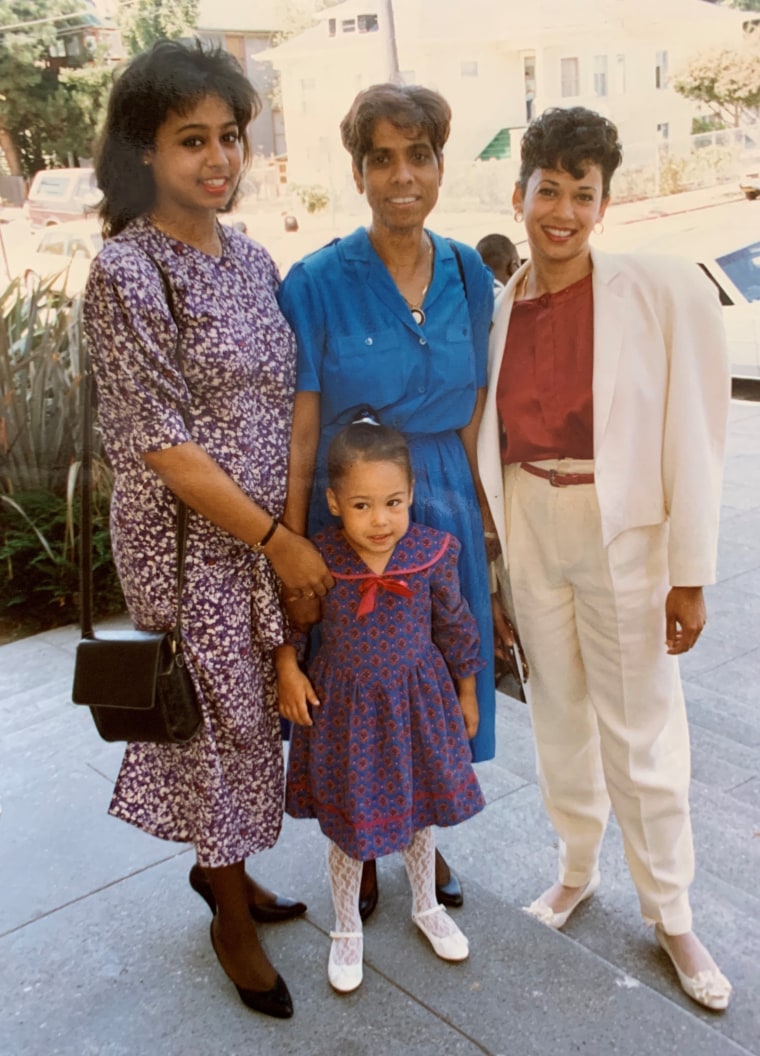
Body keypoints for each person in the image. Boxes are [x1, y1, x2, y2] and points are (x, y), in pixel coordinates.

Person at [83, 39, 332, 1020]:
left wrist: (295, 528)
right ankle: (228, 908)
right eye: (193, 141)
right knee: (215, 724)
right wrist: (279, 542)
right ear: (146, 150)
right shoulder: (129, 270)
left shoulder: (252, 256)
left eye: (230, 137)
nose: (219, 158)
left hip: (267, 535)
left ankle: (220, 867)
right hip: (191, 546)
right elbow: (164, 447)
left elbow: (283, 401)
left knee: (255, 715)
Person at [477, 106, 733, 1011]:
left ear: (603, 205)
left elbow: (697, 438)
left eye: (583, 194)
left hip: (621, 529)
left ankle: (672, 912)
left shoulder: (658, 292)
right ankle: (577, 867)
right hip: (531, 523)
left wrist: (690, 575)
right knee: (559, 712)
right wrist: (498, 565)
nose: (563, 210)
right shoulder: (499, 304)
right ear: (521, 194)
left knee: (643, 725)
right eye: (549, 189)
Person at [278, 82, 507, 920]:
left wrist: (483, 524)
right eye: (383, 158)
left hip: (440, 505)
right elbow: (303, 429)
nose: (402, 175)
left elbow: (478, 403)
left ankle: (422, 839)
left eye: (419, 155)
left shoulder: (468, 272)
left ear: (442, 164)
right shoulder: (314, 282)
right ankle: (358, 846)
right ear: (359, 171)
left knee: (436, 685)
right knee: (353, 697)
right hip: (351, 521)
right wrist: (293, 544)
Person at [276, 411, 486, 992]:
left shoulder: (431, 552)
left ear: (412, 494)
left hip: (417, 704)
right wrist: (287, 667)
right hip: (347, 711)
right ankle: (345, 928)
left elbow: (456, 626)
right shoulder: (318, 558)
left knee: (419, 811)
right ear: (335, 501)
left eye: (394, 502)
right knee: (349, 822)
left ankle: (425, 905)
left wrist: (468, 692)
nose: (380, 519)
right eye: (363, 505)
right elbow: (295, 623)